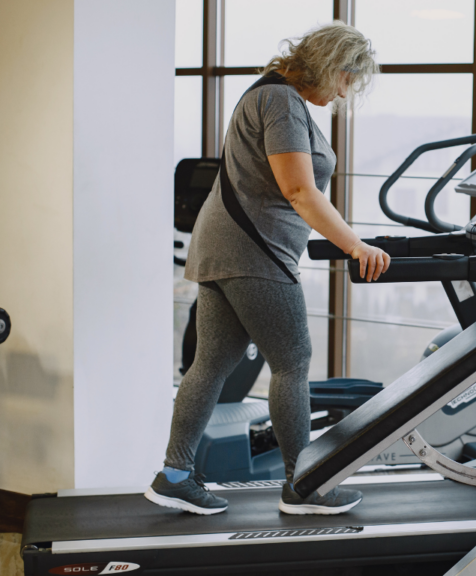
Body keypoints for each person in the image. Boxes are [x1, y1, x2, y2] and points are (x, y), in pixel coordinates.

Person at [146, 22, 388, 516]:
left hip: (222, 247)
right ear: (333, 66)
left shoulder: (266, 95)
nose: (346, 93)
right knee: (293, 361)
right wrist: (354, 244)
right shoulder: (280, 102)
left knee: (210, 364)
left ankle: (174, 476)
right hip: (254, 251)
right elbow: (300, 190)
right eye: (348, 80)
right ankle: (303, 485)